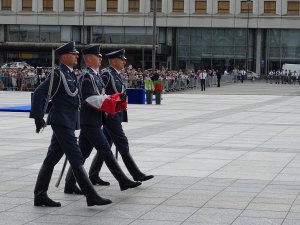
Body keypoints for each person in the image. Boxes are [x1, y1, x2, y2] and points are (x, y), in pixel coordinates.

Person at [30, 42, 112, 207]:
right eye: (73, 54)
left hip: (69, 120)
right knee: (76, 157)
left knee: (52, 158)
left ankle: (40, 195)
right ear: (63, 57)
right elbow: (39, 93)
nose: (76, 56)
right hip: (61, 120)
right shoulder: (58, 74)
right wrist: (38, 117)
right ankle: (91, 196)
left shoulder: (72, 74)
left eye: (76, 54)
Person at [64, 45, 141, 194]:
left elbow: (101, 95)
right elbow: (89, 98)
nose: (100, 58)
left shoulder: (96, 75)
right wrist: (109, 101)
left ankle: (69, 183)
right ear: (88, 59)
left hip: (94, 119)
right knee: (106, 150)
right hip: (89, 120)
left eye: (100, 56)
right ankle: (123, 181)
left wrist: (114, 99)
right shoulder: (87, 76)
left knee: (82, 154)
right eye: (97, 56)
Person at [88, 49, 154, 185]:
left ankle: (93, 174)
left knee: (105, 145)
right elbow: (100, 93)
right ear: (113, 61)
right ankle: (136, 174)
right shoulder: (107, 74)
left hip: (115, 114)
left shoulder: (116, 74)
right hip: (110, 115)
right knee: (122, 142)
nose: (124, 62)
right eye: (121, 59)